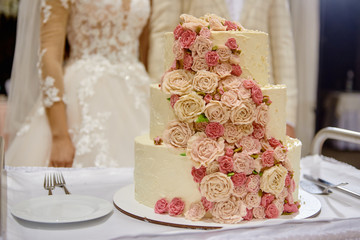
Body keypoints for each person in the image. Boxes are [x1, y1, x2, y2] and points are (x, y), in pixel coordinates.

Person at [5, 0, 151, 167]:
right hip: (84, 93)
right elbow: (49, 55)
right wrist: (59, 136)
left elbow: (145, 48)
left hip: (139, 92)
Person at [147, 0, 297, 137]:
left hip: (261, 105)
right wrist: (162, 101)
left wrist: (287, 116)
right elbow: (163, 34)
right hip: (199, 107)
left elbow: (282, 44)